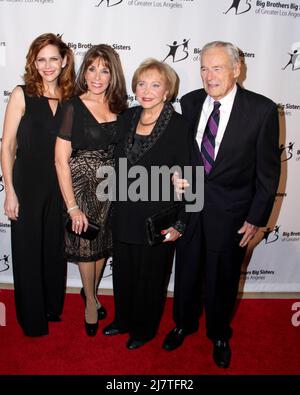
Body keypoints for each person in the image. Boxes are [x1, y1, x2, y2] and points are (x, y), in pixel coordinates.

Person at [162, 41, 280, 368]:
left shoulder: (262, 110)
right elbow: (182, 155)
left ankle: (218, 333)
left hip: (232, 213)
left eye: (217, 68)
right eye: (204, 68)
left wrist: (256, 218)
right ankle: (183, 323)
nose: (209, 75)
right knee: (186, 271)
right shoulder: (189, 101)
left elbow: (268, 173)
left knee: (223, 278)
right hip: (190, 207)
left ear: (236, 69)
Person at [102, 59, 190, 349]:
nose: (147, 90)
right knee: (124, 272)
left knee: (151, 278)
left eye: (155, 85)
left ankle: (143, 330)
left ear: (167, 91)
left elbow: (191, 175)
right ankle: (123, 320)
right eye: (142, 83)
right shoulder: (127, 117)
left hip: (158, 218)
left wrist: (181, 221)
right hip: (124, 212)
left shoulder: (178, 126)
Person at [0, 33, 75, 336]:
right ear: (33, 62)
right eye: (41, 59)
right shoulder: (22, 94)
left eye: (53, 59)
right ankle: (32, 319)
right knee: (28, 249)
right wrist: (10, 191)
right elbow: (6, 146)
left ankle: (51, 307)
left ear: (64, 61)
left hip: (59, 182)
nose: (47, 65)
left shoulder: (71, 99)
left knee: (54, 248)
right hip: (28, 182)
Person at [55, 45, 127, 336]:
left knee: (100, 248)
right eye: (92, 68)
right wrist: (72, 206)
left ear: (113, 75)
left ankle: (91, 293)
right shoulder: (73, 106)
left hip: (110, 189)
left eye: (105, 70)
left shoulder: (120, 107)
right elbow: (60, 159)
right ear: (84, 72)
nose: (98, 76)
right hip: (81, 188)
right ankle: (90, 302)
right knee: (86, 246)